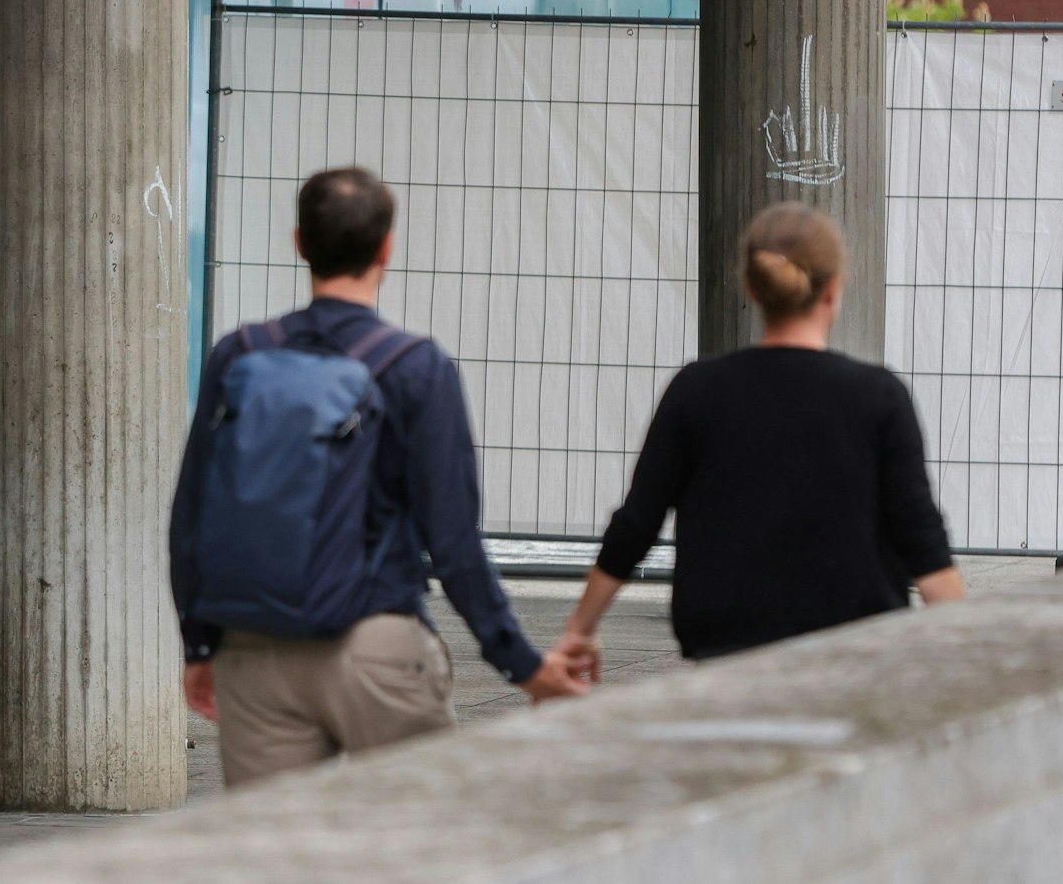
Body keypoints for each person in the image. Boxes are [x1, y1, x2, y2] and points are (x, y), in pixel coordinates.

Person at [170, 166, 588, 789]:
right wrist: (521, 664)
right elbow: (453, 541)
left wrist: (201, 646)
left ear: (300, 242)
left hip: (255, 649)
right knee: (413, 836)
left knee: (276, 842)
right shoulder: (416, 367)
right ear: (386, 248)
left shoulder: (240, 354)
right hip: (377, 646)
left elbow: (190, 517)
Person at [552, 202, 965, 678]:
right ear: (834, 291)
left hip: (727, 656)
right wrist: (971, 650)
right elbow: (920, 534)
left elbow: (637, 524)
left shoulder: (697, 390)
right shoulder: (879, 396)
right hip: (854, 661)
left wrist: (578, 631)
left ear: (751, 287)